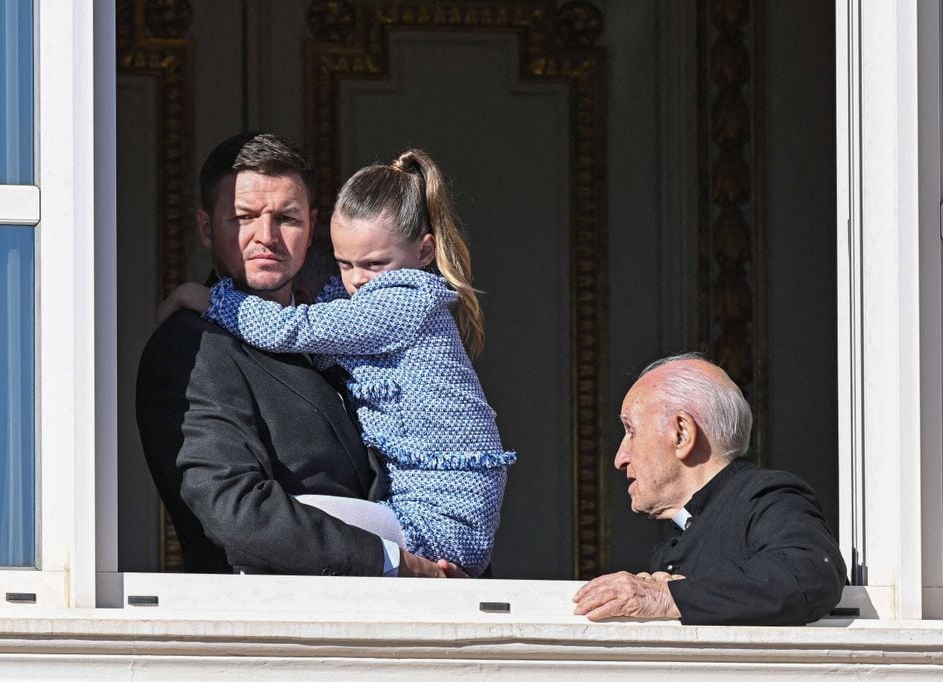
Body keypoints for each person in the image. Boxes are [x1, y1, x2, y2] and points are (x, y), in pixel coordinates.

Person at [162, 149, 515, 578]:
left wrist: (202, 298)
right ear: (207, 227)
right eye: (243, 217)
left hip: (436, 526)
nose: (357, 279)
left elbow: (291, 329)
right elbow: (241, 515)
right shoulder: (195, 346)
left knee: (302, 512)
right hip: (346, 575)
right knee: (289, 517)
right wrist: (397, 565)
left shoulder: (399, 301)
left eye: (287, 219)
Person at [572, 353, 846, 625]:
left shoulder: (764, 497)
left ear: (682, 434)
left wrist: (666, 596)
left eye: (631, 431)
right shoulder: (683, 532)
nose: (620, 458)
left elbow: (810, 574)